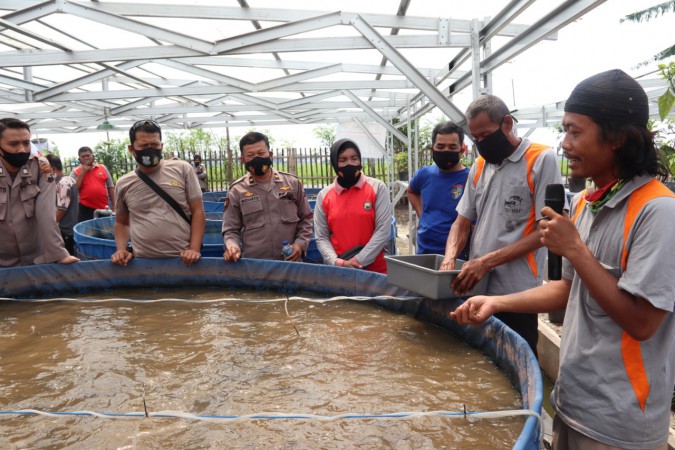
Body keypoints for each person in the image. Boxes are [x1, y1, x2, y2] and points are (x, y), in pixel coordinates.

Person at [451, 69, 674, 450]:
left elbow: (642, 321)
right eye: (564, 130)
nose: (564, 144)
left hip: (619, 422)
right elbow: (568, 289)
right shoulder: (590, 204)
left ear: (618, 137)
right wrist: (496, 302)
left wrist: (574, 249)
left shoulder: (658, 211)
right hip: (573, 402)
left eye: (575, 131)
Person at [440, 94, 564, 355]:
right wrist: (450, 258)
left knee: (517, 354)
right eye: (475, 139)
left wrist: (486, 261)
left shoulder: (541, 159)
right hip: (478, 285)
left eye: (485, 135)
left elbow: (547, 230)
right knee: (480, 357)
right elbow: (462, 221)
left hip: (516, 291)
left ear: (507, 124)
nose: (481, 144)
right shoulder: (480, 164)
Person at [112, 120, 205, 266]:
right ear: (131, 149)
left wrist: (194, 248)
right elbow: (121, 222)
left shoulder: (182, 169)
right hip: (142, 264)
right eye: (143, 145)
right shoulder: (124, 183)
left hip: (184, 261)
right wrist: (121, 249)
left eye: (154, 145)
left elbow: (198, 211)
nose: (150, 149)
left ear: (161, 146)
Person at [222, 131, 313, 262]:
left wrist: (300, 244)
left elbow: (306, 218)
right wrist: (232, 246)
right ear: (242, 160)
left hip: (291, 263)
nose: (257, 158)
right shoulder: (237, 190)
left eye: (261, 153)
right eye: (250, 155)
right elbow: (230, 229)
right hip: (254, 267)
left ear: (270, 155)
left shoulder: (292, 183)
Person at [0, 118, 78, 267]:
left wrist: (59, 253)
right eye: (13, 144)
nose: (22, 149)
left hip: (35, 256)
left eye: (26, 143)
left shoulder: (41, 167)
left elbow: (46, 212)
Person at [313, 138, 392, 274]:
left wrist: (357, 261)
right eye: (342, 160)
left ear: (360, 160)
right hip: (340, 271)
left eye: (354, 158)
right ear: (334, 163)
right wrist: (337, 262)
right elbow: (321, 237)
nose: (349, 163)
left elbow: (383, 230)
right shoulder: (324, 195)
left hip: (376, 271)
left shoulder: (377, 187)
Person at [407, 121, 470, 255]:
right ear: (432, 149)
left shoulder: (470, 179)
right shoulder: (424, 174)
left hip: (457, 255)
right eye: (440, 146)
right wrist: (422, 215)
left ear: (462, 150)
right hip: (424, 251)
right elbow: (411, 191)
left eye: (452, 147)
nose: (446, 151)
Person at [46, 154, 79, 256]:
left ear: (53, 169)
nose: (44, 174)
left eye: (46, 171)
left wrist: (49, 227)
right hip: (70, 227)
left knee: (66, 258)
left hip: (65, 230)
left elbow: (61, 209)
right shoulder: (69, 179)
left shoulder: (63, 183)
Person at [72, 146, 115, 222]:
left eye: (88, 155)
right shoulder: (75, 172)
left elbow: (110, 187)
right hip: (85, 209)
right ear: (79, 159)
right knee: (87, 232)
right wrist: (82, 173)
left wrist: (114, 206)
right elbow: (74, 190)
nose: (86, 158)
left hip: (104, 208)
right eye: (83, 156)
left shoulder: (102, 168)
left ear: (93, 156)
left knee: (105, 232)